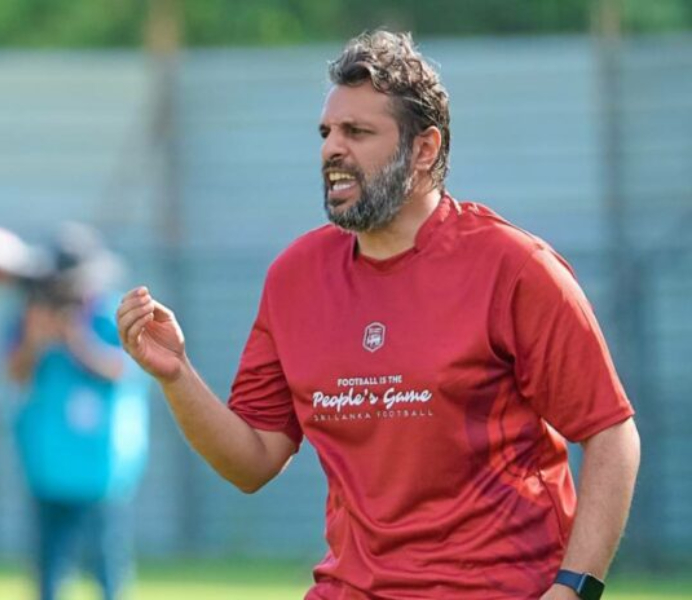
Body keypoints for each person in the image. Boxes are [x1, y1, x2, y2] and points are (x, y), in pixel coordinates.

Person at [116, 30, 641, 600]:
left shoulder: (515, 269)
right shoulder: (294, 278)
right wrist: (177, 375)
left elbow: (611, 433)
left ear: (424, 149)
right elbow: (254, 461)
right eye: (326, 133)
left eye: (357, 132)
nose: (331, 149)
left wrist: (574, 587)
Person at [4, 224, 147, 600]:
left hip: (101, 464)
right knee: (49, 564)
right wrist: (35, 339)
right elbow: (15, 375)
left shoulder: (112, 314)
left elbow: (124, 369)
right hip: (47, 461)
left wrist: (75, 340)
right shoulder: (34, 315)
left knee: (106, 559)